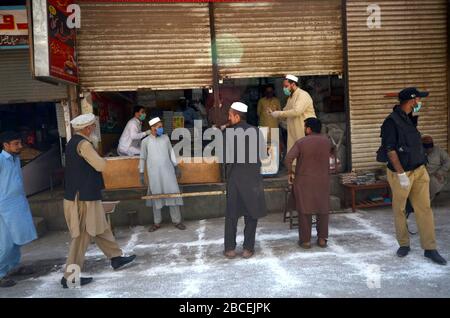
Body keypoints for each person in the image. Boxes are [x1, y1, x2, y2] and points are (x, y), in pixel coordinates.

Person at [62, 113, 136, 288]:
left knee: (101, 227)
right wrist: (102, 158)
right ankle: (70, 277)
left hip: (86, 195)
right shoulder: (84, 144)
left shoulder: (72, 143)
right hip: (83, 198)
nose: (94, 129)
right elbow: (100, 165)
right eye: (93, 126)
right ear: (87, 128)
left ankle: (116, 258)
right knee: (82, 236)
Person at [380, 87, 446, 265]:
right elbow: (390, 149)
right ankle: (404, 244)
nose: (420, 102)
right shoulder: (391, 122)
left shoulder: (409, 118)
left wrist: (414, 112)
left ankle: (430, 248)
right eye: (418, 99)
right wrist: (401, 174)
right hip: (402, 173)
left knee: (424, 210)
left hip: (419, 171)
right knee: (400, 210)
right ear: (411, 101)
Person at [223, 102, 267, 259]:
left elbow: (225, 158)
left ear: (236, 116)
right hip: (252, 180)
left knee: (231, 216)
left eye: (229, 114)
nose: (228, 117)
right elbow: (263, 155)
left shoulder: (228, 133)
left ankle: (230, 249)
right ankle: (248, 248)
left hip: (235, 180)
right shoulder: (256, 131)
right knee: (251, 214)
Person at [284, 118, 333, 249]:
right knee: (323, 210)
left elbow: (288, 159)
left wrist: (291, 172)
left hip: (304, 181)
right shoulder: (327, 142)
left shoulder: (301, 142)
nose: (305, 129)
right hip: (323, 180)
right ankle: (322, 239)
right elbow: (335, 160)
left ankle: (305, 241)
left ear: (309, 129)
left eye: (305, 127)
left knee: (304, 211)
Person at [0, 132, 37, 288]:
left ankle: (12, 267)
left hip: (17, 205)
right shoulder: (1, 160)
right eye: (16, 144)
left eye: (20, 143)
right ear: (5, 145)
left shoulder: (15, 159)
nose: (20, 146)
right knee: (6, 243)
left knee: (16, 241)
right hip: (4, 208)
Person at [139, 117, 186, 232]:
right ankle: (157, 222)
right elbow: (142, 158)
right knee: (156, 198)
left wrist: (176, 166)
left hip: (168, 173)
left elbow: (171, 153)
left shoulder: (165, 139)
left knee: (173, 196)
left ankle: (177, 221)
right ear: (153, 128)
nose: (161, 129)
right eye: (159, 127)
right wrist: (141, 172)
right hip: (154, 175)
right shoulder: (145, 141)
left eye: (161, 127)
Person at [268, 75, 316, 153]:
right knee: (294, 159)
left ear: (293, 84)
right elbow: (284, 114)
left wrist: (279, 113)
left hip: (304, 133)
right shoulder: (291, 98)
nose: (284, 89)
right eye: (284, 86)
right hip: (293, 135)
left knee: (305, 157)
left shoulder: (303, 95)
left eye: (286, 86)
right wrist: (274, 112)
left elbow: (297, 111)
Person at [422, 135, 450, 201]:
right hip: (422, 174)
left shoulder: (439, 150)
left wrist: (440, 172)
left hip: (436, 174)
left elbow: (448, 161)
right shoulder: (419, 151)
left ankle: (427, 201)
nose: (428, 149)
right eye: (426, 146)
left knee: (432, 181)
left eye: (430, 145)